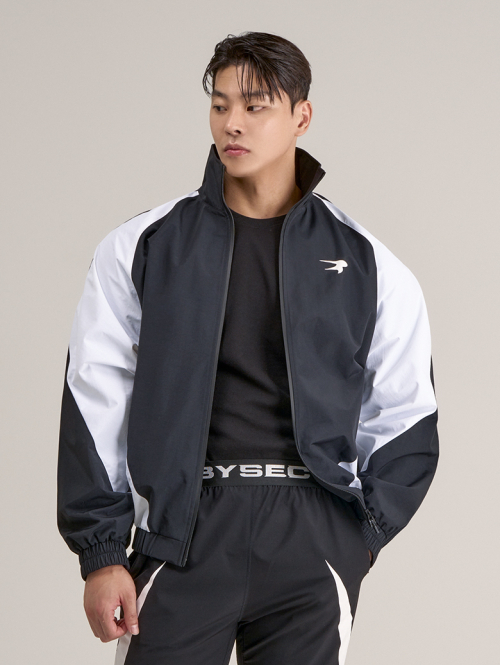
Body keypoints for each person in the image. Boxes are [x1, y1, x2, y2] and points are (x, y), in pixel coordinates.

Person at [57, 31, 439, 665]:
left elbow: (407, 411)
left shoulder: (367, 262)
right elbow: (94, 396)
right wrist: (101, 552)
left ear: (301, 117)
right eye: (220, 104)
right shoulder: (143, 247)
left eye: (255, 105)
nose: (232, 122)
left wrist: (360, 536)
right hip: (182, 532)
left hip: (310, 537)